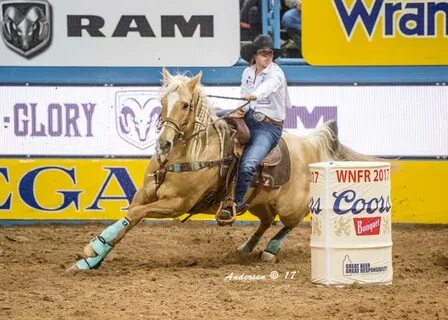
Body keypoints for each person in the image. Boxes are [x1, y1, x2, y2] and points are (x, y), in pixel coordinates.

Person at [219, 34, 291, 221]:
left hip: (268, 128)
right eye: (263, 53)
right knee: (217, 121)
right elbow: (244, 96)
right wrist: (241, 110)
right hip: (249, 117)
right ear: (255, 56)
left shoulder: (276, 73)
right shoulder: (248, 72)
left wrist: (254, 95)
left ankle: (236, 203)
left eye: (270, 53)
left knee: (249, 164)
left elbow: (268, 87)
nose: (268, 56)